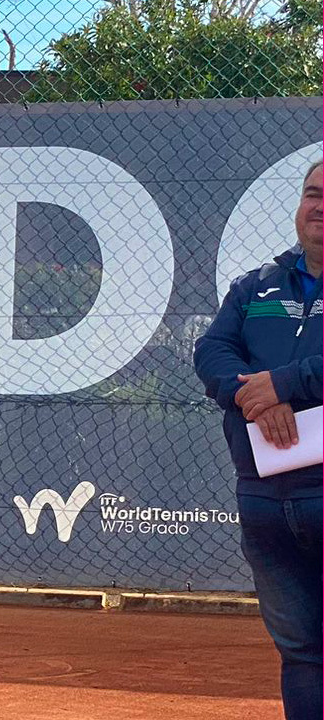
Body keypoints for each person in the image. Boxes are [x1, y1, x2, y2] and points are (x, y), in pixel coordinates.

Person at [192, 160, 322, 720]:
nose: (320, 207)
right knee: (301, 653)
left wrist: (285, 384)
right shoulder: (256, 284)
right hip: (265, 499)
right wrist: (251, 394)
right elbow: (211, 350)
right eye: (313, 194)